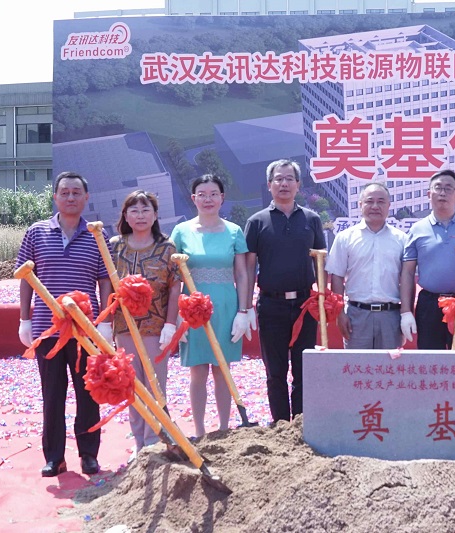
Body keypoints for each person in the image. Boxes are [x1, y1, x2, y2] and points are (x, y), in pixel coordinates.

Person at [16, 171, 112, 477]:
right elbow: (25, 279)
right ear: (55, 197)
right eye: (65, 192)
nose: (70, 197)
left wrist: (105, 321)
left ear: (86, 197)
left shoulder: (97, 235)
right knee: (52, 395)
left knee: (88, 393)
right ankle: (54, 457)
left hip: (87, 330)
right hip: (47, 330)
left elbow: (105, 280)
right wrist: (24, 319)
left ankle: (88, 455)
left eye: (76, 192)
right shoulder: (36, 232)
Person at [170, 175, 253, 437]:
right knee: (198, 371)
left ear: (222, 198)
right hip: (192, 309)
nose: (208, 199)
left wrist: (243, 311)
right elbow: (173, 277)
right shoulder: (181, 231)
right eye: (202, 194)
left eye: (213, 194)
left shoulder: (234, 231)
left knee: (222, 370)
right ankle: (200, 431)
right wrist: (176, 315)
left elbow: (242, 274)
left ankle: (224, 430)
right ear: (193, 198)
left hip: (226, 308)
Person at [244, 159, 326, 423]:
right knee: (275, 371)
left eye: (289, 179)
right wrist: (245, 308)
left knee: (303, 370)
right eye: (278, 179)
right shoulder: (257, 222)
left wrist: (325, 299)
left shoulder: (311, 219)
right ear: (269, 184)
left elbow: (320, 262)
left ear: (298, 184)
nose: (284, 184)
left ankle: (300, 423)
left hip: (305, 305)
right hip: (271, 306)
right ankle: (280, 425)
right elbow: (248, 267)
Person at [110, 190, 180, 460]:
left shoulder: (167, 247)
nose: (140, 216)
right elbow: (106, 283)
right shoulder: (115, 246)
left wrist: (170, 324)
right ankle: (139, 443)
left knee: (155, 385)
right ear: (125, 216)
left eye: (145, 210)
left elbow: (175, 288)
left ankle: (154, 442)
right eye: (134, 210)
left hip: (155, 328)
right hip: (124, 327)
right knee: (132, 385)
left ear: (155, 215)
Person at [399, 169, 455, 350]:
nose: (442, 193)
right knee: (431, 361)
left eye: (448, 188)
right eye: (438, 188)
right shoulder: (417, 229)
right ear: (429, 194)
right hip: (429, 304)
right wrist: (406, 311)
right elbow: (408, 272)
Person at [327, 182, 407, 349]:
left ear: (389, 205)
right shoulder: (345, 238)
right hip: (357, 315)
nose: (375, 206)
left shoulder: (402, 239)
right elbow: (337, 277)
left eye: (381, 201)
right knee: (356, 364)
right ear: (360, 205)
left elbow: (407, 279)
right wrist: (339, 314)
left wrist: (406, 314)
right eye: (370, 201)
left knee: (390, 364)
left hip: (391, 317)